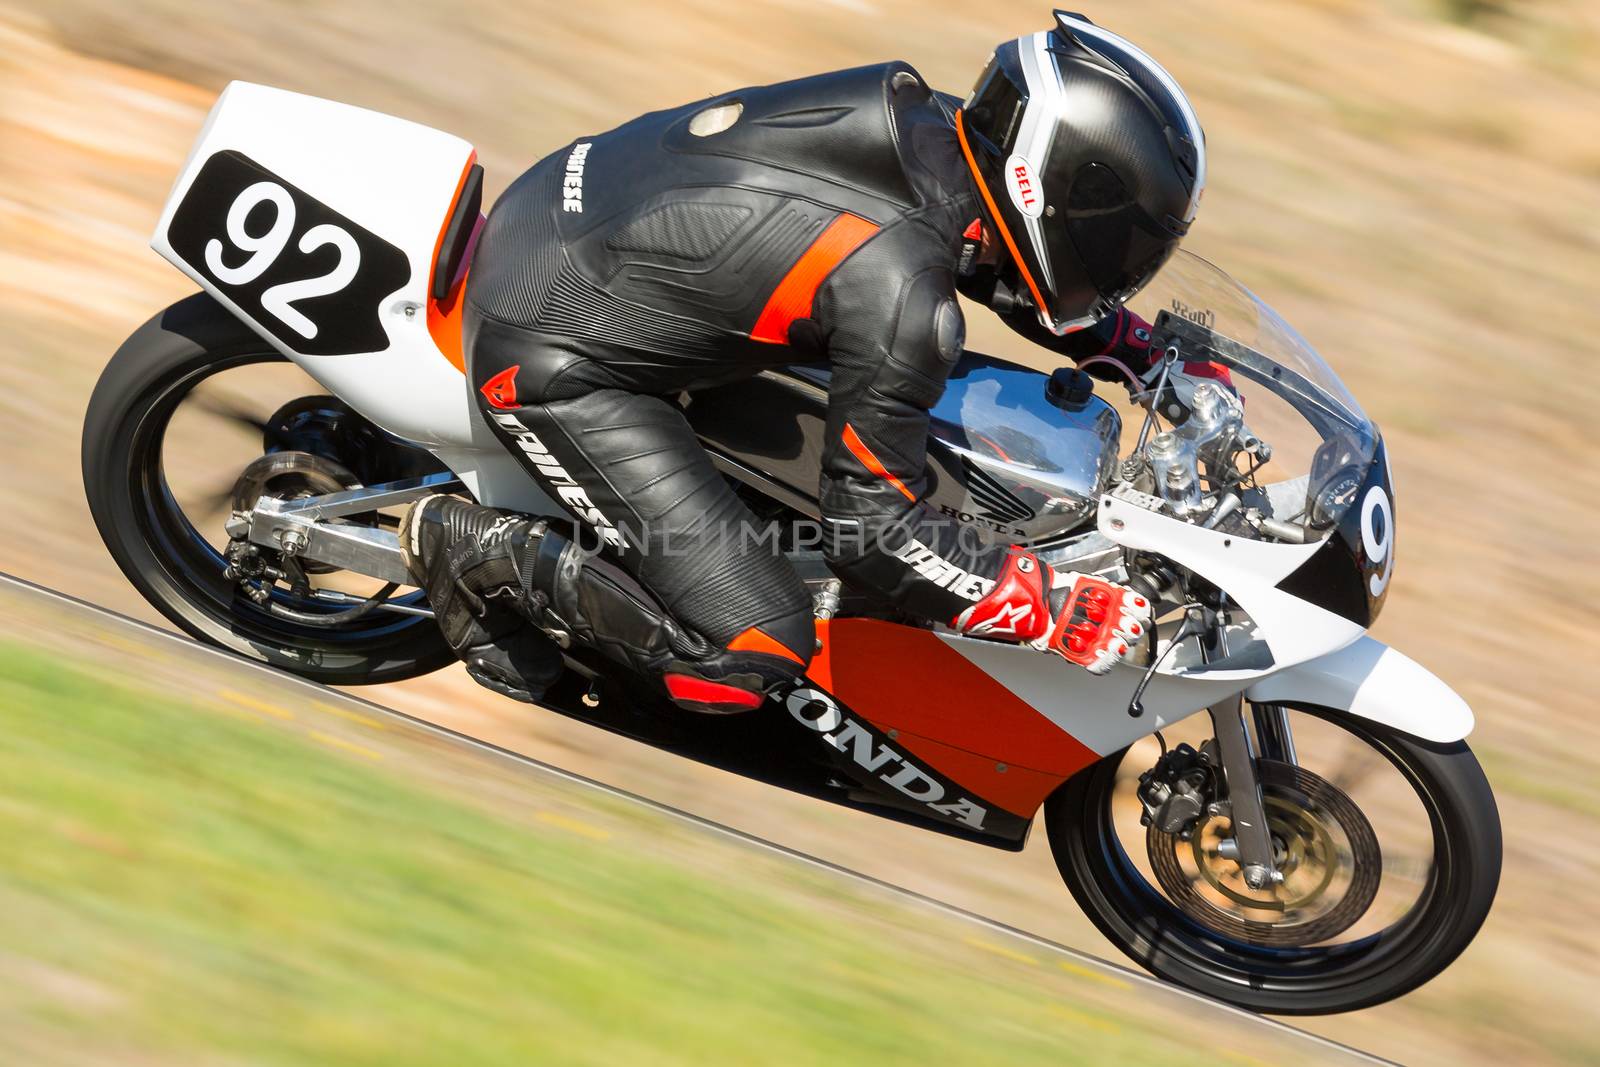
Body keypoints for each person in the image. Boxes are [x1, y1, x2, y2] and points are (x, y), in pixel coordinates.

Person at [400, 10, 1208, 711]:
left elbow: (998, 253)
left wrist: (1136, 349)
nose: (1122, 257)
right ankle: (475, 549)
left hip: (560, 210)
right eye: (1116, 232)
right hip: (550, 351)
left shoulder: (926, 124)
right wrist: (1044, 603)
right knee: (759, 643)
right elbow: (872, 531)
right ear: (1051, 184)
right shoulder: (899, 299)